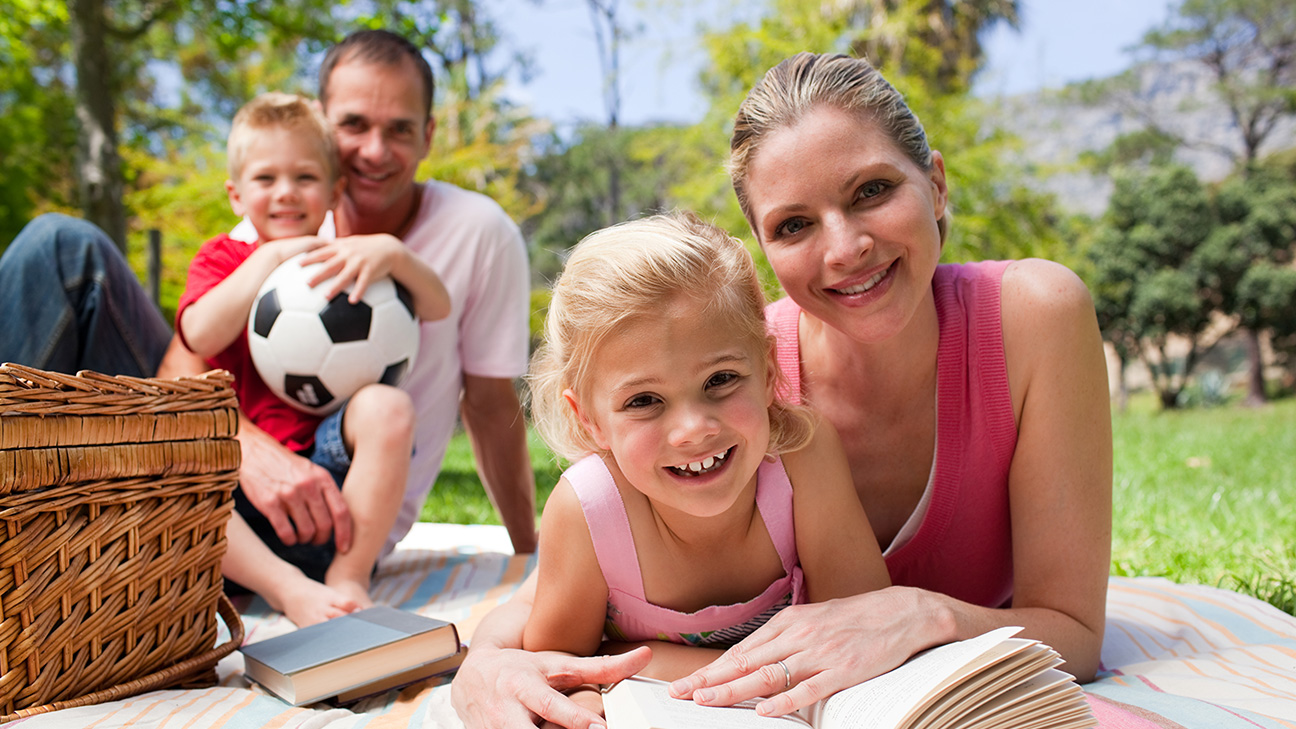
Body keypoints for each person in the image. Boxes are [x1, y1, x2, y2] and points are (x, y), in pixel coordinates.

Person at [450, 52, 1111, 728]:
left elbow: (1076, 633)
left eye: (872, 191)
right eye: (794, 225)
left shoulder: (1033, 316)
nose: (845, 246)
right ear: (764, 245)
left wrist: (917, 613)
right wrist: (487, 660)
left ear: (935, 185)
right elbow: (584, 557)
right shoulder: (726, 372)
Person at [0, 28, 538, 567]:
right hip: (214, 461)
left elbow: (491, 406)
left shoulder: (477, 231)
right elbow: (180, 365)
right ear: (324, 126)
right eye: (354, 125)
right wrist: (249, 450)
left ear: (427, 135)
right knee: (62, 247)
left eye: (398, 129)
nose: (375, 150)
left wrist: (527, 555)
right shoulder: (278, 220)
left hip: (341, 508)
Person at [521, 212, 891, 714]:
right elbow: (560, 671)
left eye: (720, 380)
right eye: (644, 401)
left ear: (766, 371)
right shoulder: (589, 510)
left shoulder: (801, 458)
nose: (694, 429)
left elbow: (867, 625)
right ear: (589, 420)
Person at [176, 91, 451, 626]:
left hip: (333, 492)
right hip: (233, 515)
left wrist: (393, 254)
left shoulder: (346, 259)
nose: (285, 194)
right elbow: (196, 331)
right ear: (235, 194)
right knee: (180, 455)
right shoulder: (222, 258)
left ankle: (349, 578)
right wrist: (270, 259)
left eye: (304, 177)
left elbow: (436, 304)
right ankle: (289, 591)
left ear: (334, 191)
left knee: (387, 406)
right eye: (265, 179)